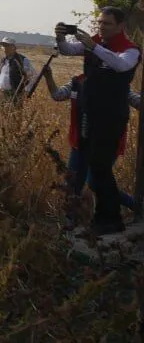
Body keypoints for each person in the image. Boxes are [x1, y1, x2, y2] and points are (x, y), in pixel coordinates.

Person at [55, 8, 142, 235]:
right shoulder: (93, 42)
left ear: (121, 26)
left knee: (101, 168)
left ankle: (110, 219)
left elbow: (121, 65)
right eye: (100, 23)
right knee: (90, 167)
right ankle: (101, 218)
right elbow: (66, 50)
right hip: (88, 115)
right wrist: (61, 36)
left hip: (111, 117)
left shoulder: (130, 50)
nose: (102, 27)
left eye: (108, 24)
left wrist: (95, 47)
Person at [41, 63, 141, 226]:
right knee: (73, 183)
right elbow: (57, 95)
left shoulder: (117, 83)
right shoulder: (76, 82)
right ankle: (71, 223)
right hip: (80, 143)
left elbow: (137, 102)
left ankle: (135, 206)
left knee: (95, 182)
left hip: (105, 145)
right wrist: (49, 77)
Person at [0, 37, 36, 101]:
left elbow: (33, 76)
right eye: (3, 46)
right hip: (2, 94)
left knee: (14, 111)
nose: (5, 48)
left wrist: (27, 91)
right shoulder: (3, 60)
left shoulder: (22, 60)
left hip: (16, 95)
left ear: (14, 47)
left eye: (7, 46)